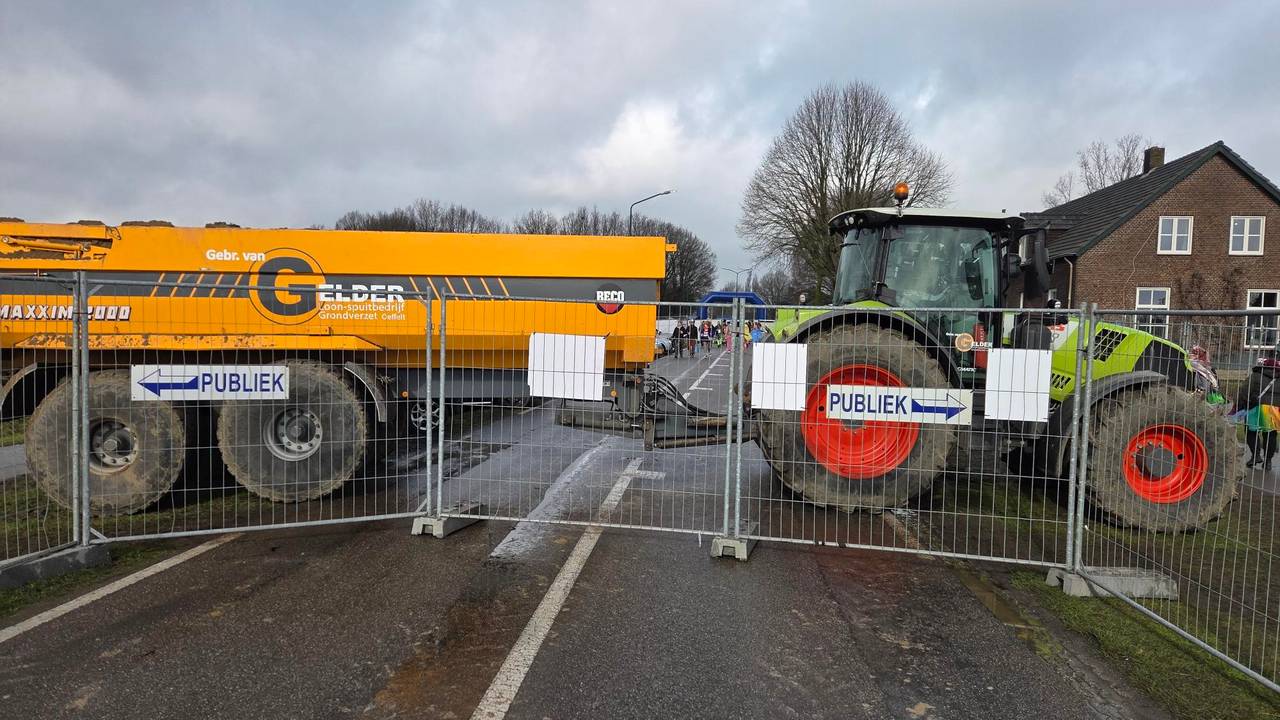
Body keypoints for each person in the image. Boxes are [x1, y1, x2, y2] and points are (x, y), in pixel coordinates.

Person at [1234, 343, 1280, 470]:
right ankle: (1268, 461)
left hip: (1255, 407)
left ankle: (1255, 455)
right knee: (1270, 434)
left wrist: (1241, 404)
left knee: (1251, 431)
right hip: (1273, 409)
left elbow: (1244, 391)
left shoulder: (1255, 375)